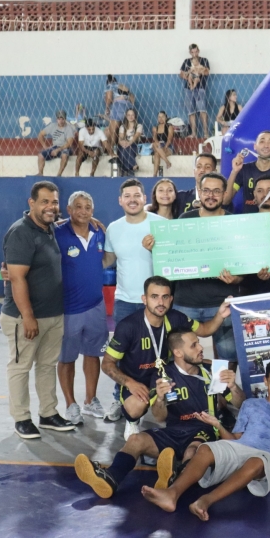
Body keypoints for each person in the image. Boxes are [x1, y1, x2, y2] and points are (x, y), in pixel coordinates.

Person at [141, 359, 270, 518]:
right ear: (265, 382)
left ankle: (205, 501)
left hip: (267, 457)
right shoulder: (251, 405)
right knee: (205, 449)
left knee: (256, 462)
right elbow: (235, 438)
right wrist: (218, 425)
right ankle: (172, 494)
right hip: (241, 447)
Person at [75, 328, 244, 498]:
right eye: (194, 345)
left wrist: (233, 387)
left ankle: (174, 481)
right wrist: (161, 399)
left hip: (205, 429)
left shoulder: (213, 370)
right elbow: (159, 417)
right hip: (174, 431)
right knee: (135, 440)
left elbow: (241, 404)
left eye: (199, 343)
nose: (200, 348)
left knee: (193, 450)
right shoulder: (163, 374)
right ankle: (111, 478)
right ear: (177, 352)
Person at [102, 276, 232, 439]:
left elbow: (205, 329)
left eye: (165, 297)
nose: (160, 302)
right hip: (139, 381)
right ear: (144, 299)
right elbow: (107, 364)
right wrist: (130, 383)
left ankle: (215, 412)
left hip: (168, 377)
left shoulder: (176, 317)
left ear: (171, 299)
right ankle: (133, 421)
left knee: (213, 366)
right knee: (136, 406)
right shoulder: (128, 326)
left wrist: (220, 314)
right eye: (154, 297)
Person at [0, 181, 75, 439]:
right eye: (44, 201)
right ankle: (21, 418)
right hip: (26, 317)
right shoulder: (21, 232)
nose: (50, 207)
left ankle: (48, 413)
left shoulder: (51, 228)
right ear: (31, 203)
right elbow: (17, 278)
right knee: (20, 368)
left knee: (46, 366)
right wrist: (28, 316)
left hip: (53, 314)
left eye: (54, 201)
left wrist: (92, 218)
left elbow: (70, 220)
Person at [150, 173, 240, 362]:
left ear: (224, 194)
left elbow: (244, 269)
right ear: (199, 192)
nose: (211, 195)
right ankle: (187, 389)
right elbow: (171, 258)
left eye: (216, 191)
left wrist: (236, 278)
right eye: (206, 190)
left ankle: (224, 392)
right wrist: (155, 249)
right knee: (180, 354)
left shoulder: (235, 223)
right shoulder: (184, 220)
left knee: (229, 356)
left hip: (221, 302)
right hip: (186, 302)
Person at [103, 179, 166, 421]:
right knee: (122, 356)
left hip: (157, 301)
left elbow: (172, 261)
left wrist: (156, 251)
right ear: (120, 201)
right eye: (127, 196)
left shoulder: (160, 225)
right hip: (125, 301)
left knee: (161, 354)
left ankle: (164, 400)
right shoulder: (113, 229)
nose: (132, 199)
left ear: (144, 198)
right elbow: (106, 260)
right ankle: (119, 398)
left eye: (136, 195)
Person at [54, 191, 109, 425]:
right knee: (66, 358)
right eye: (78, 207)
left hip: (96, 306)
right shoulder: (57, 233)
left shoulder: (99, 232)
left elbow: (106, 259)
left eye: (87, 207)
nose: (83, 211)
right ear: (68, 210)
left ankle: (90, 400)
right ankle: (70, 404)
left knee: (93, 354)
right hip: (68, 309)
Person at [226, 130, 270, 213]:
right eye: (262, 141)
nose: (266, 145)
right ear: (255, 146)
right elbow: (225, 201)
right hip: (251, 223)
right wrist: (234, 171)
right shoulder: (244, 169)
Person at [180, 44, 211, 139]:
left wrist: (199, 71)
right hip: (188, 89)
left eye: (196, 51)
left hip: (200, 88)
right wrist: (188, 74)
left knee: (202, 110)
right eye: (192, 52)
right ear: (190, 52)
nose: (194, 53)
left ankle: (206, 133)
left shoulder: (204, 60)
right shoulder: (186, 61)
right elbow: (181, 74)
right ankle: (194, 133)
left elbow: (207, 72)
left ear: (198, 51)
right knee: (191, 111)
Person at [36, 110, 76, 176]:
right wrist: (45, 146)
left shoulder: (69, 128)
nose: (61, 121)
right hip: (55, 147)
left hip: (65, 147)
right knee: (40, 155)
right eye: (59, 119)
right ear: (56, 119)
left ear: (65, 119)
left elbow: (69, 143)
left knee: (64, 155)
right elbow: (40, 134)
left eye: (62, 119)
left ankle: (59, 174)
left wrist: (58, 150)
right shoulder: (52, 126)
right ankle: (40, 173)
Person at [105, 75, 135, 151]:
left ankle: (113, 149)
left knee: (114, 130)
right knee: (124, 128)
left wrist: (107, 108)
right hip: (128, 108)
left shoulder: (109, 86)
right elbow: (132, 98)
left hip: (118, 107)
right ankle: (124, 148)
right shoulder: (123, 86)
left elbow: (109, 98)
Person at [117, 108, 143, 176]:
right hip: (124, 145)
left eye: (132, 115)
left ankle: (124, 171)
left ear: (135, 116)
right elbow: (120, 139)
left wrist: (129, 143)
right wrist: (123, 143)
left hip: (134, 145)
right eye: (128, 115)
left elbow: (136, 136)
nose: (130, 117)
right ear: (126, 116)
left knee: (126, 150)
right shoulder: (122, 126)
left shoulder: (139, 126)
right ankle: (133, 165)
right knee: (123, 150)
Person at [152, 110, 175, 176]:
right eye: (159, 117)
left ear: (166, 117)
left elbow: (169, 139)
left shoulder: (169, 126)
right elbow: (155, 138)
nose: (161, 119)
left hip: (168, 146)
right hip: (158, 146)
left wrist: (165, 147)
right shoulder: (155, 127)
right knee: (155, 144)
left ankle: (154, 175)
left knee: (157, 154)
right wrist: (159, 145)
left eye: (163, 117)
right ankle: (167, 162)